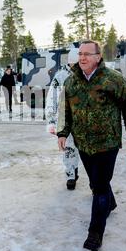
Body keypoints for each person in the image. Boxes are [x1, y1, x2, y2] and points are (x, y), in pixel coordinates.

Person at [57, 40, 126, 251]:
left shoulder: (114, 80)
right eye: (80, 54)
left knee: (99, 186)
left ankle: (95, 233)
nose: (82, 58)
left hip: (107, 143)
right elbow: (65, 110)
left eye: (87, 54)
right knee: (96, 181)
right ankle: (110, 203)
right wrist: (63, 133)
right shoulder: (71, 82)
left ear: (98, 57)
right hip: (84, 143)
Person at [46, 47, 80, 190]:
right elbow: (52, 99)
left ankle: (76, 167)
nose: (76, 66)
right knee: (68, 148)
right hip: (65, 119)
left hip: (85, 120)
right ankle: (70, 174)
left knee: (82, 149)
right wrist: (51, 121)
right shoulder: (60, 76)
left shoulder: (88, 75)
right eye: (74, 64)